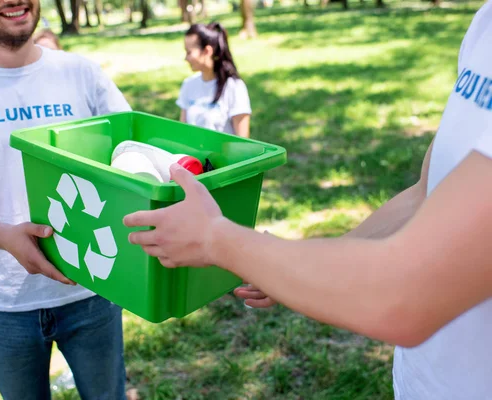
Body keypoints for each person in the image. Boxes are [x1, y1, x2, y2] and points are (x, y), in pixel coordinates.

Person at [124, 2, 492, 399]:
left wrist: (218, 239)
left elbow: (405, 296)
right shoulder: (484, 24)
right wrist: (288, 261)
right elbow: (424, 192)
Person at [0, 0, 131, 398]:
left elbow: (135, 165)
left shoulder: (82, 74)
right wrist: (3, 235)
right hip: (4, 303)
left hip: (92, 290)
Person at [176, 22, 251, 138]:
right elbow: (182, 133)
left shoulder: (235, 87)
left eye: (189, 52)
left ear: (207, 51)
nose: (186, 58)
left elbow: (243, 142)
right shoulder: (188, 85)